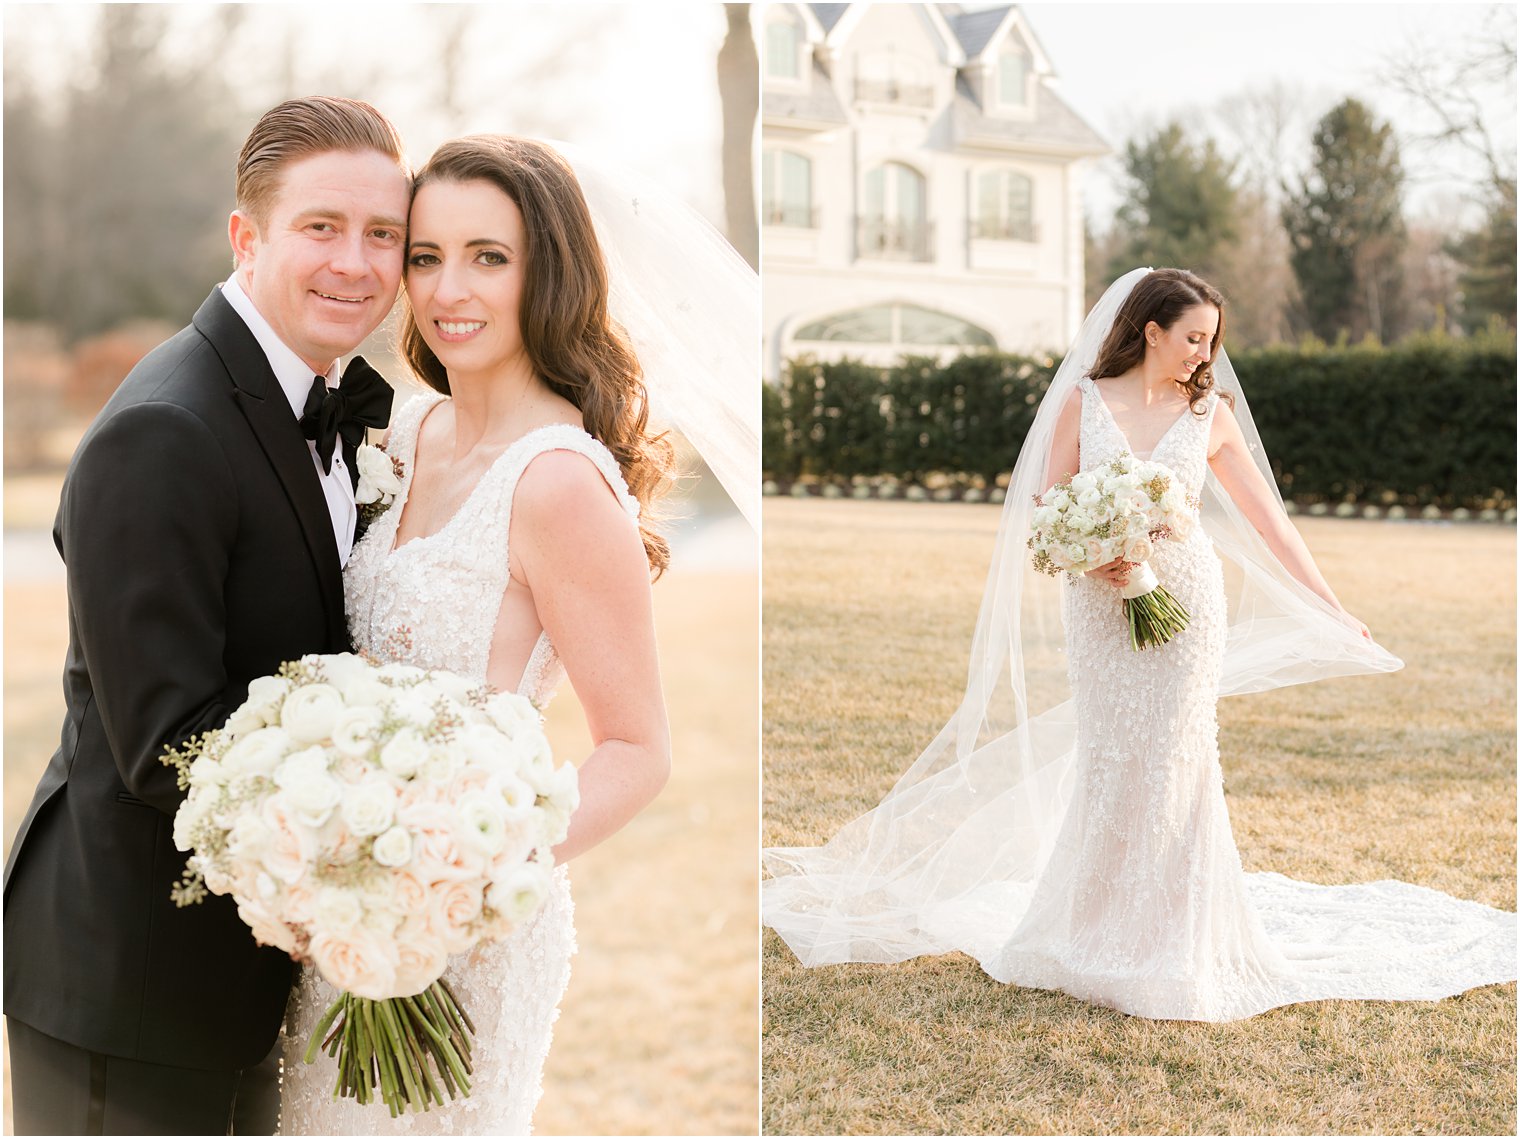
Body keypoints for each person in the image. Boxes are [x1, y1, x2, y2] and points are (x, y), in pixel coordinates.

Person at [763, 267, 1516, 1021]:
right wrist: (1098, 554)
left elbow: (1271, 523)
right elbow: (1045, 504)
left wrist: (1334, 606)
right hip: (1098, 605)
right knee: (1114, 754)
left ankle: (1173, 942)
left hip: (1187, 604)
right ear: (1150, 330)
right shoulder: (1083, 402)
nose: (1203, 352)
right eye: (1193, 336)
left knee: (1176, 757)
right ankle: (1092, 930)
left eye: (1211, 340)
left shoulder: (1210, 415)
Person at [279, 134, 739, 1135]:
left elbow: (636, 749)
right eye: (427, 255)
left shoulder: (559, 484)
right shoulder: (403, 435)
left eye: (488, 256)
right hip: (349, 905)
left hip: (471, 917)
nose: (451, 288)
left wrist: (462, 866)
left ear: (547, 273)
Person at [3, 95, 410, 1134]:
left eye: (382, 236)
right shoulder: (166, 430)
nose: (354, 264)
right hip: (131, 987)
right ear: (247, 235)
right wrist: (397, 795)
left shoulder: (306, 398)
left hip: (233, 977)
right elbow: (166, 742)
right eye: (320, 226)